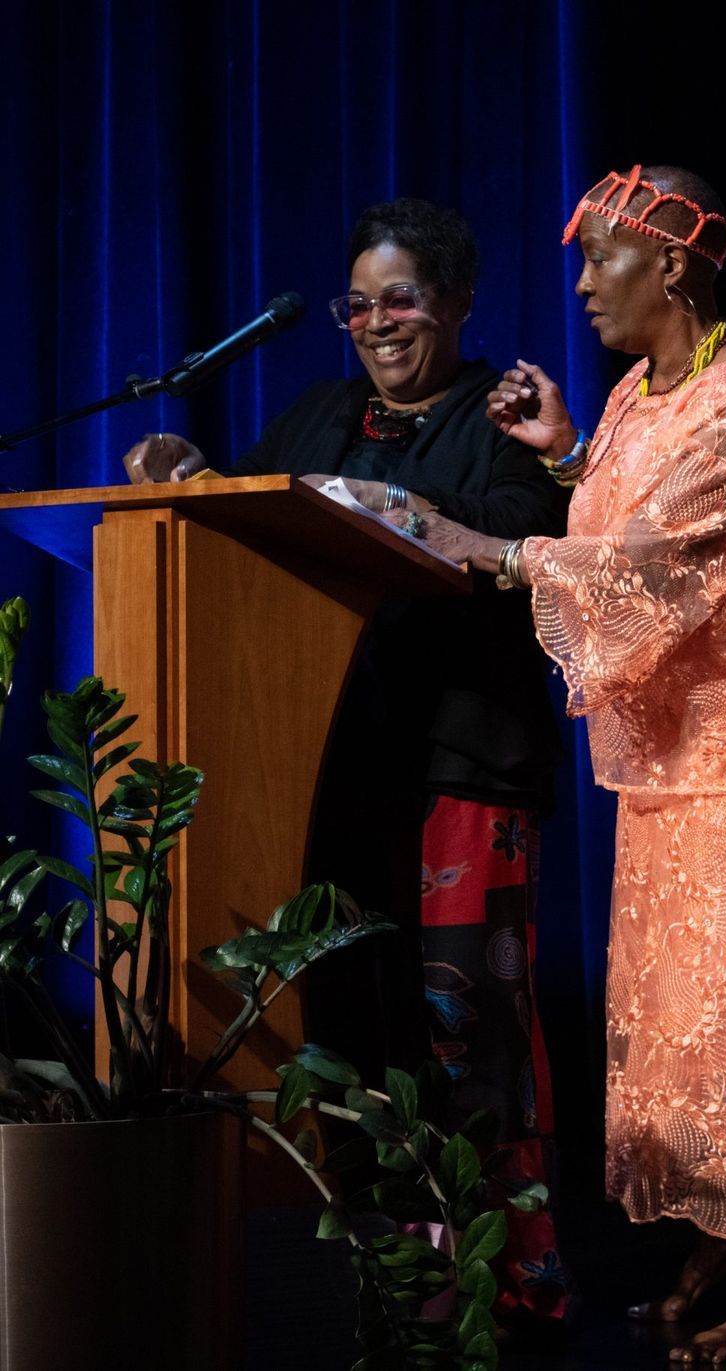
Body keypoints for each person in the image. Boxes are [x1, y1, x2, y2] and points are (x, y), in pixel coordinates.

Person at [398, 165, 726, 1364]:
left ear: (670, 266)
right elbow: (621, 533)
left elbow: (658, 563)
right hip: (679, 752)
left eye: (601, 257)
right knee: (689, 1019)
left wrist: (484, 550)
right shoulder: (641, 396)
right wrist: (567, 460)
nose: (583, 283)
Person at [122, 198, 574, 1325]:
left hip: (464, 760)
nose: (378, 322)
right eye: (360, 303)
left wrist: (392, 507)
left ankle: (513, 1274)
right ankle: (413, 1265)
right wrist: (187, 474)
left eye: (403, 298)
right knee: (365, 1035)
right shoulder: (322, 414)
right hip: (330, 765)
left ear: (459, 303)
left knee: (470, 1031)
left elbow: (522, 536)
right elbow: (256, 523)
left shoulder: (504, 415)